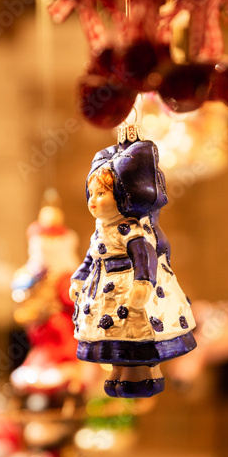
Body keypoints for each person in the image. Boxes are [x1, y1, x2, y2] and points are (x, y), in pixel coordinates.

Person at [70, 135, 196, 398]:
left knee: (136, 330)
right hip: (103, 290)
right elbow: (91, 259)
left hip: (128, 289)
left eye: (101, 194)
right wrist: (79, 279)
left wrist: (142, 282)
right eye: (91, 194)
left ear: (121, 196)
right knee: (113, 334)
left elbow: (143, 254)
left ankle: (143, 374)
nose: (93, 200)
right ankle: (117, 369)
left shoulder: (129, 229)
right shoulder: (99, 231)